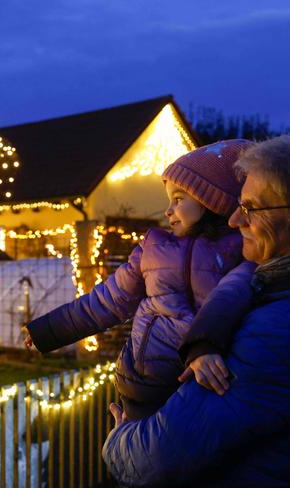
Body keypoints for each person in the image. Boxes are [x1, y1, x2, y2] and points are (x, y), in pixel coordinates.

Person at [102, 134, 290, 486]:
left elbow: (156, 459)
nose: (235, 220)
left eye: (250, 207)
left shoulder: (273, 332)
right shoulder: (262, 286)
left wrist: (118, 439)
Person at [24, 140, 254, 420]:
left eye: (179, 199)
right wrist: (47, 331)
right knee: (135, 455)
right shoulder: (153, 247)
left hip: (203, 383)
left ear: (212, 201)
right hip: (140, 383)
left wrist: (206, 347)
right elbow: (107, 301)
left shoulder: (244, 252)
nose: (168, 210)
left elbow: (236, 302)